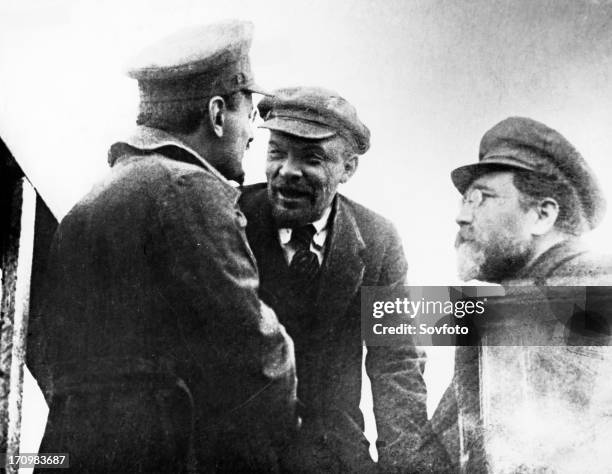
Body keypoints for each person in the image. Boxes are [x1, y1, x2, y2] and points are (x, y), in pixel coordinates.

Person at [28, 20, 297, 473]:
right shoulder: (191, 191)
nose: (253, 133)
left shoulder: (91, 199)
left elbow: (50, 357)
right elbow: (258, 363)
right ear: (216, 114)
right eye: (250, 113)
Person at [239, 87, 449, 473]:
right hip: (236, 455)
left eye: (312, 158)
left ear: (348, 169)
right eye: (276, 152)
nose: (287, 170)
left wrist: (407, 467)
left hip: (333, 454)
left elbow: (396, 360)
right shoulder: (228, 220)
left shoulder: (379, 238)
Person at [432, 116, 612, 472]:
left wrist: (378, 317)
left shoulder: (595, 285)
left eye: (481, 199)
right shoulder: (508, 305)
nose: (461, 217)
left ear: (541, 215)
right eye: (465, 200)